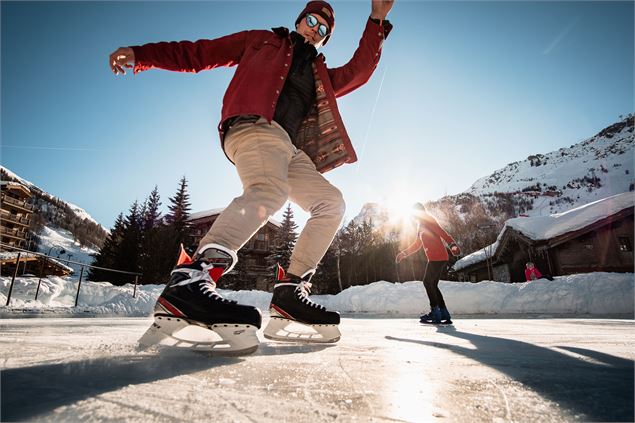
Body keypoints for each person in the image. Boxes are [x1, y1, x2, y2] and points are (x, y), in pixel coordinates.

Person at [113, 0, 394, 354]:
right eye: (311, 21)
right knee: (269, 192)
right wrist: (142, 55)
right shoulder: (262, 41)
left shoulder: (319, 73)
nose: (315, 30)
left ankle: (289, 293)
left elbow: (359, 71)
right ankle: (190, 280)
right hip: (251, 126)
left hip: (289, 150)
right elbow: (199, 54)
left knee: (330, 203)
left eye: (323, 30)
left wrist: (377, 20)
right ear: (299, 20)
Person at [396, 203, 461, 325]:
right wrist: (404, 253)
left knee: (427, 282)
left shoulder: (428, 220)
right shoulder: (420, 226)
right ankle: (443, 313)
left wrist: (452, 244)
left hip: (439, 257)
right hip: (435, 258)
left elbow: (442, 232)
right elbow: (417, 244)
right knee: (433, 285)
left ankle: (435, 313)